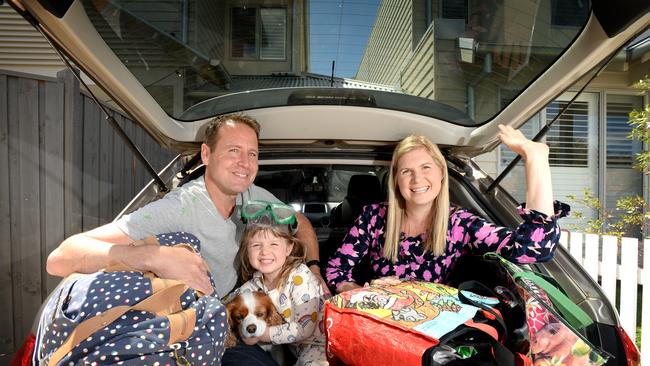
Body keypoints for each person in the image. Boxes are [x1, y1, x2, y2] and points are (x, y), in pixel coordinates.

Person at [46, 113, 324, 365]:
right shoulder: (180, 207)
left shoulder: (250, 195)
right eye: (233, 151)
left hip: (230, 317)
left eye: (252, 154)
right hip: (189, 326)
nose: (245, 163)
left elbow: (299, 222)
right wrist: (154, 256)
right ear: (206, 154)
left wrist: (313, 269)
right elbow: (60, 258)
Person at [325, 125, 569, 293]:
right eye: (406, 171)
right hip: (382, 320)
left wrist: (534, 159)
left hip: (435, 329)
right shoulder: (373, 217)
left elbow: (532, 250)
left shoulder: (460, 223)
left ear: (442, 174)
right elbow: (336, 270)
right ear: (396, 180)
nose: (417, 180)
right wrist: (358, 292)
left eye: (426, 168)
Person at [233, 202, 328, 366]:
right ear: (247, 249)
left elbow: (304, 329)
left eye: (274, 244)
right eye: (256, 245)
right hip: (297, 349)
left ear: (289, 248)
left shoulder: (300, 277)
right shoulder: (256, 283)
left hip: (323, 345)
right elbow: (231, 301)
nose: (264, 252)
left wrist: (262, 334)